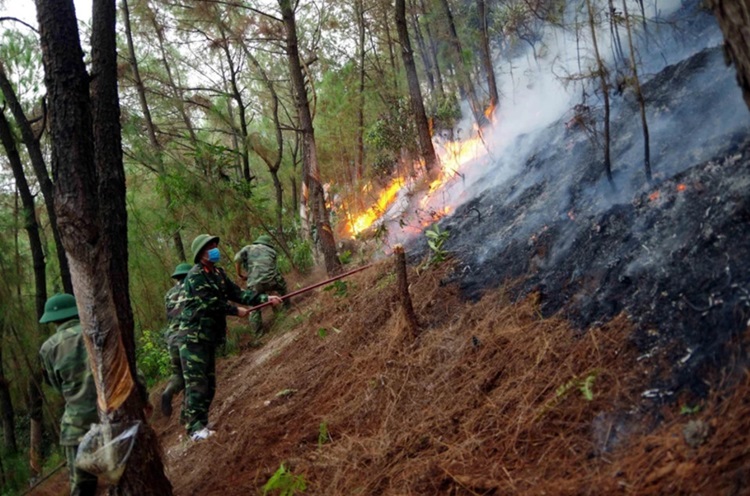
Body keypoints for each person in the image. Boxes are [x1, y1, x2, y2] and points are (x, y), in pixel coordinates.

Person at [177, 234, 281, 441]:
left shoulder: (218, 274)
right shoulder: (196, 276)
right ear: (201, 254)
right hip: (193, 338)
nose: (214, 249)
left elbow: (237, 293)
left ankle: (202, 424)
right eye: (209, 247)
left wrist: (264, 298)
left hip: (208, 337)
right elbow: (210, 303)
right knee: (197, 383)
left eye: (215, 245)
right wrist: (235, 311)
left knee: (209, 383)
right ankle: (194, 429)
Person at [38, 293, 98, 496]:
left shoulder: (48, 348)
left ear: (52, 320)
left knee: (83, 486)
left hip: (77, 426)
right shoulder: (96, 330)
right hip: (115, 416)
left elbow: (56, 387)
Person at [233, 234, 288, 335]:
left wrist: (240, 274)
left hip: (254, 284)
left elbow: (237, 259)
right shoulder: (272, 251)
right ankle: (286, 310)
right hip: (271, 281)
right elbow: (274, 269)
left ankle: (258, 334)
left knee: (254, 307)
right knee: (282, 289)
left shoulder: (248, 248)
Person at [160, 262, 192, 418]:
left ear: (177, 278)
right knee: (192, 376)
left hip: (172, 338)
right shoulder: (193, 289)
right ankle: (185, 415)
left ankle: (169, 391)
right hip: (187, 337)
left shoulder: (169, 294)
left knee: (178, 373)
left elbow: (170, 316)